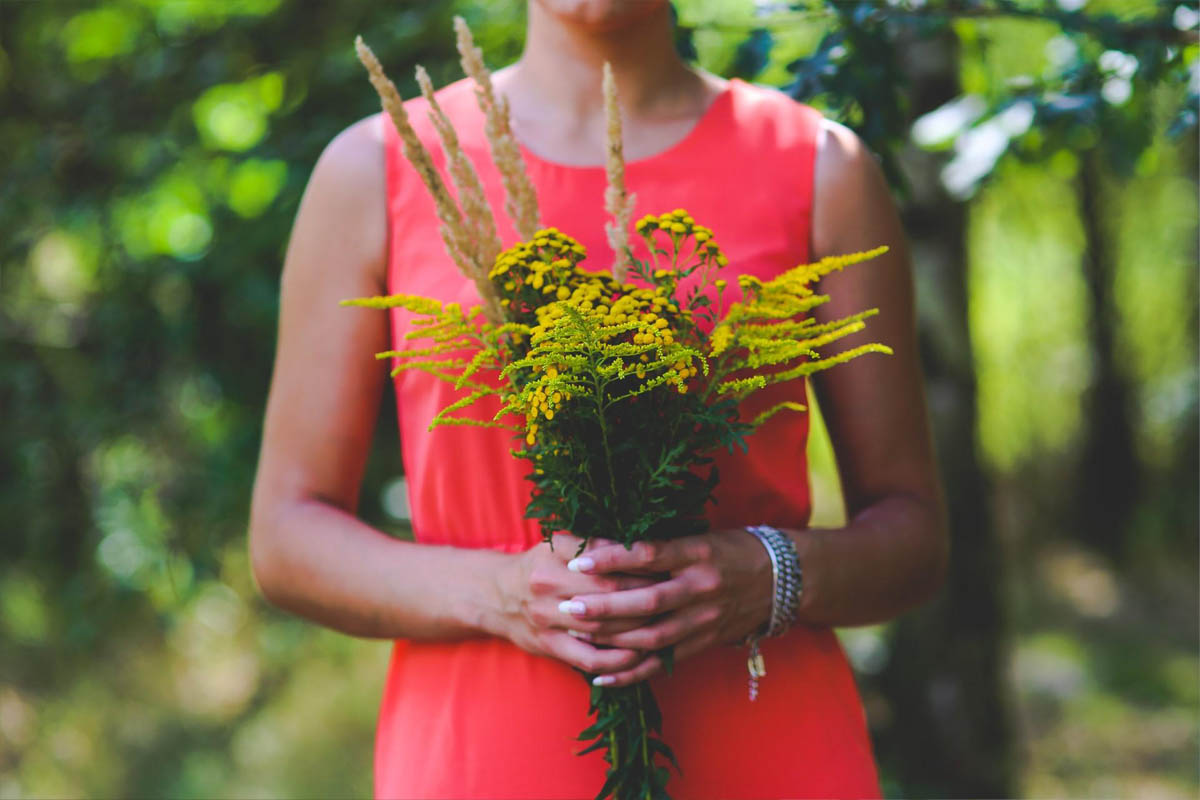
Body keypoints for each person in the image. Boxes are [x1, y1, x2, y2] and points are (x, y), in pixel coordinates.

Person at [249, 1, 948, 797]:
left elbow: (912, 532)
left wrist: (766, 571)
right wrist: (500, 597)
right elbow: (286, 536)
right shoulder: (373, 167)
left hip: (767, 741)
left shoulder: (819, 163)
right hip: (487, 754)